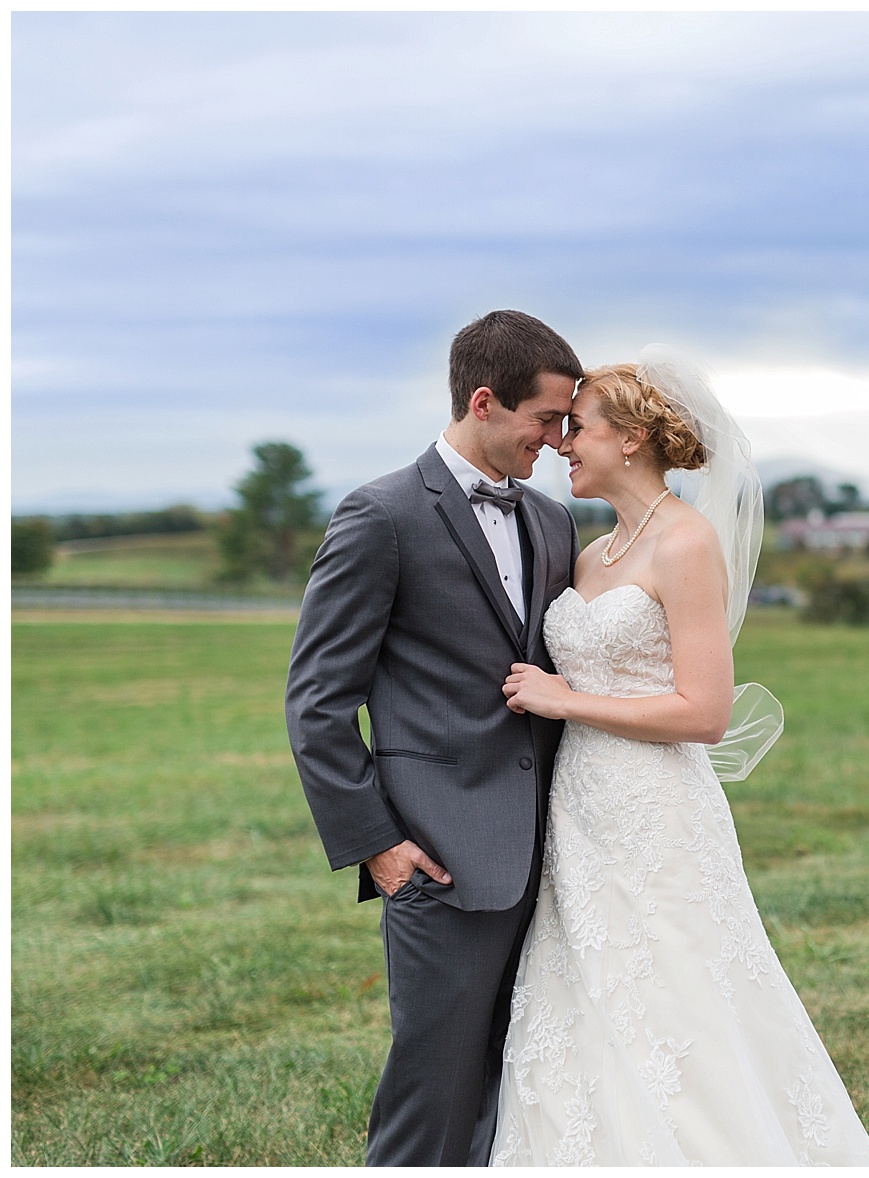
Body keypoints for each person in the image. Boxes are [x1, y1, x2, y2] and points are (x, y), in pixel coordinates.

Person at [489, 350, 869, 1166]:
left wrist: (564, 700)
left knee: (675, 994)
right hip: (580, 810)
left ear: (630, 437)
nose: (563, 443)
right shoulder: (590, 553)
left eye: (578, 427)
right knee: (585, 996)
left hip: (656, 809)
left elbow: (704, 713)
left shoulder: (687, 543)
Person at [285, 310, 584, 1166]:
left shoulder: (552, 521)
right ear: (484, 402)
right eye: (546, 419)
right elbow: (315, 702)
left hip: (557, 856)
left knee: (525, 1084)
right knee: (434, 1087)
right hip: (443, 860)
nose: (557, 440)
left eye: (567, 423)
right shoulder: (379, 516)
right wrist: (378, 846)